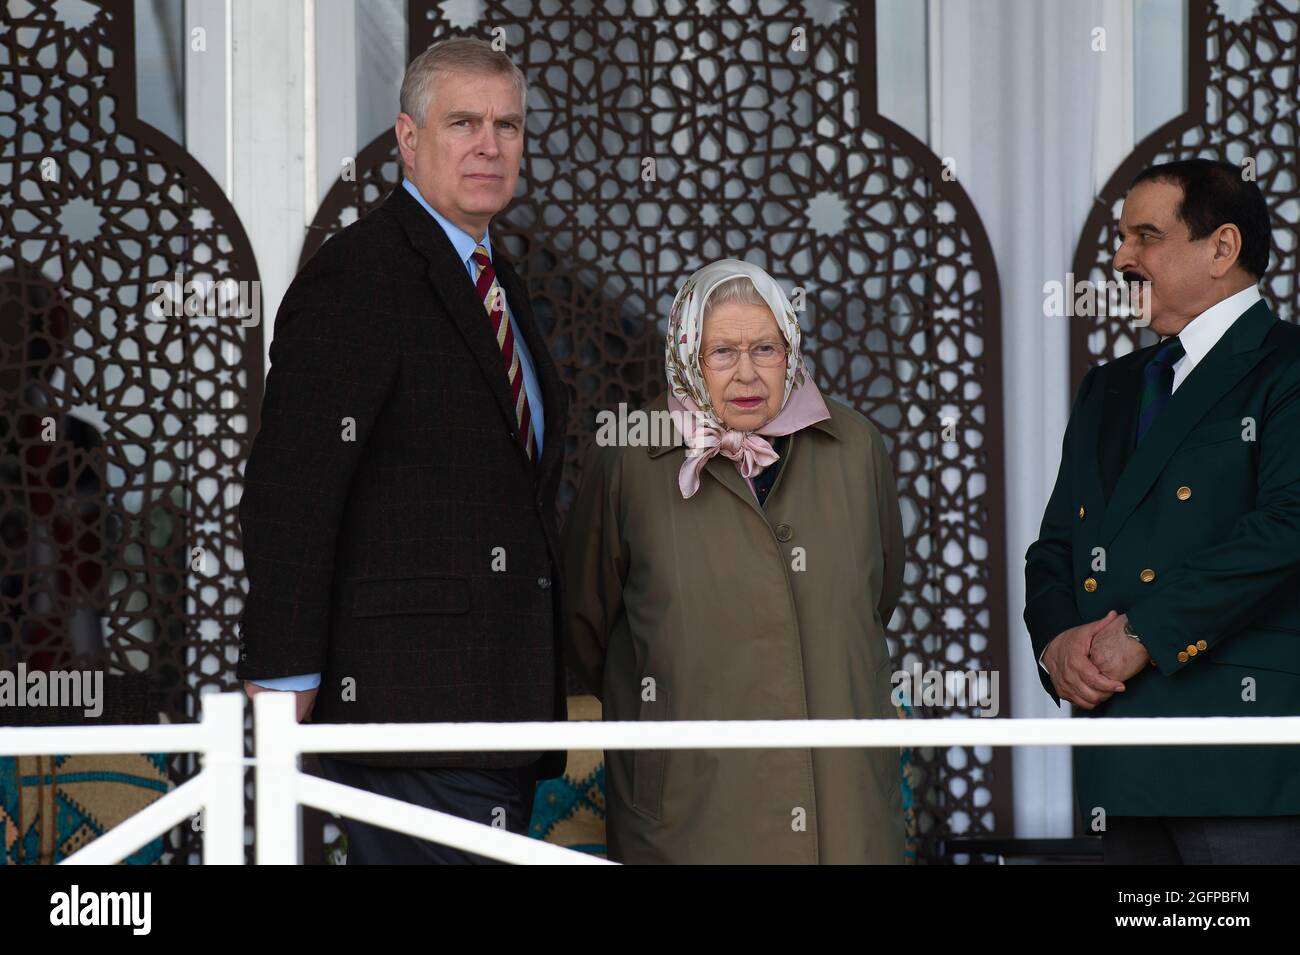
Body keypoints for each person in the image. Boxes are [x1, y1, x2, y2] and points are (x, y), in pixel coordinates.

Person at [235, 38, 569, 863]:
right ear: (408, 139)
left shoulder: (504, 281)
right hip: (407, 706)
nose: (490, 144)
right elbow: (293, 485)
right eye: (463, 122)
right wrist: (283, 677)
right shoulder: (359, 274)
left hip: (498, 706)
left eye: (508, 125)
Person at [563, 259, 906, 863]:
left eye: (765, 349)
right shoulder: (630, 459)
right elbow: (585, 625)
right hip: (691, 807)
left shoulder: (854, 448)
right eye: (722, 352)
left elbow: (877, 597)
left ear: (790, 349)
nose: (746, 373)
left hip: (841, 803)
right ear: (688, 355)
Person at [1025, 158, 1300, 864]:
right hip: (1119, 753)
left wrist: (1144, 632)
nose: (1121, 258)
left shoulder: (1287, 366)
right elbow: (1056, 548)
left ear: (1222, 248)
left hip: (1240, 761)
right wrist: (1058, 645)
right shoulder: (1109, 388)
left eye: (1145, 236)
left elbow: (1288, 527)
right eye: (1122, 237)